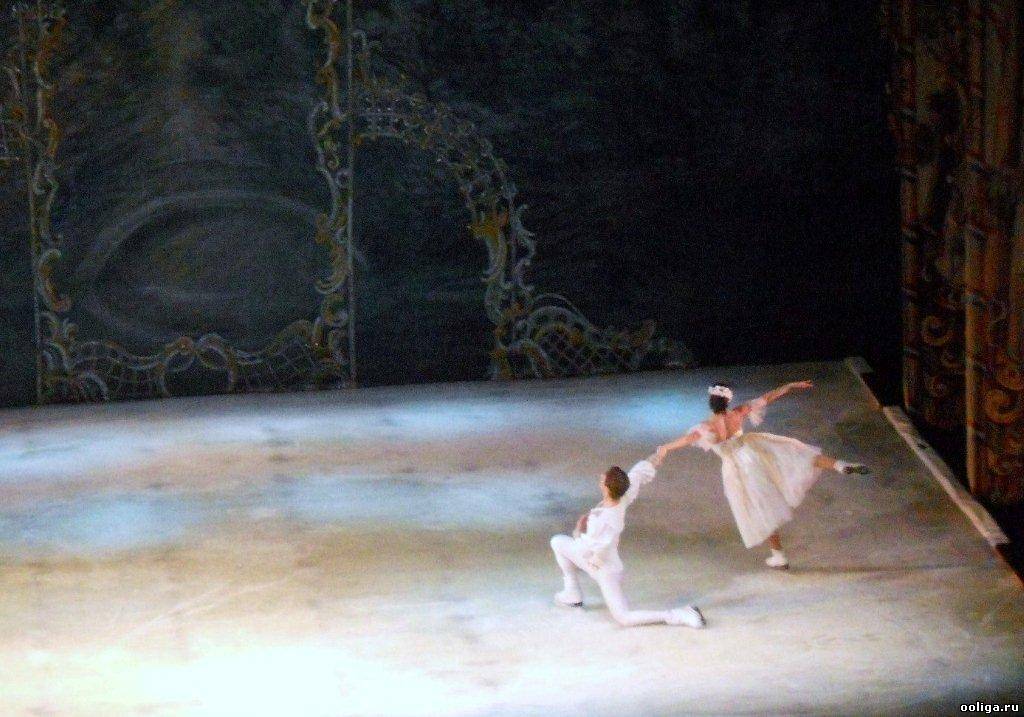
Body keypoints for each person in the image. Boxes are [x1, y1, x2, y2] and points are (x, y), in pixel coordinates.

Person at [657, 381, 869, 570]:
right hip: (753, 452)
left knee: (760, 508)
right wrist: (790, 386)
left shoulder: (706, 427)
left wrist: (665, 448)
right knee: (794, 454)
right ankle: (839, 465)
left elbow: (687, 440)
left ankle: (779, 556)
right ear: (727, 401)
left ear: (710, 402)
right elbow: (767, 398)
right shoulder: (737, 413)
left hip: (737, 468)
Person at [549, 451, 705, 628]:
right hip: (601, 563)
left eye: (602, 480)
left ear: (607, 488)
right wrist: (656, 458)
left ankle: (679, 615)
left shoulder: (604, 520)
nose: (600, 480)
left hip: (603, 568)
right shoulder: (622, 496)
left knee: (623, 617)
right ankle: (572, 592)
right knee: (558, 542)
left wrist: (578, 530)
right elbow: (637, 474)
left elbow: (591, 549)